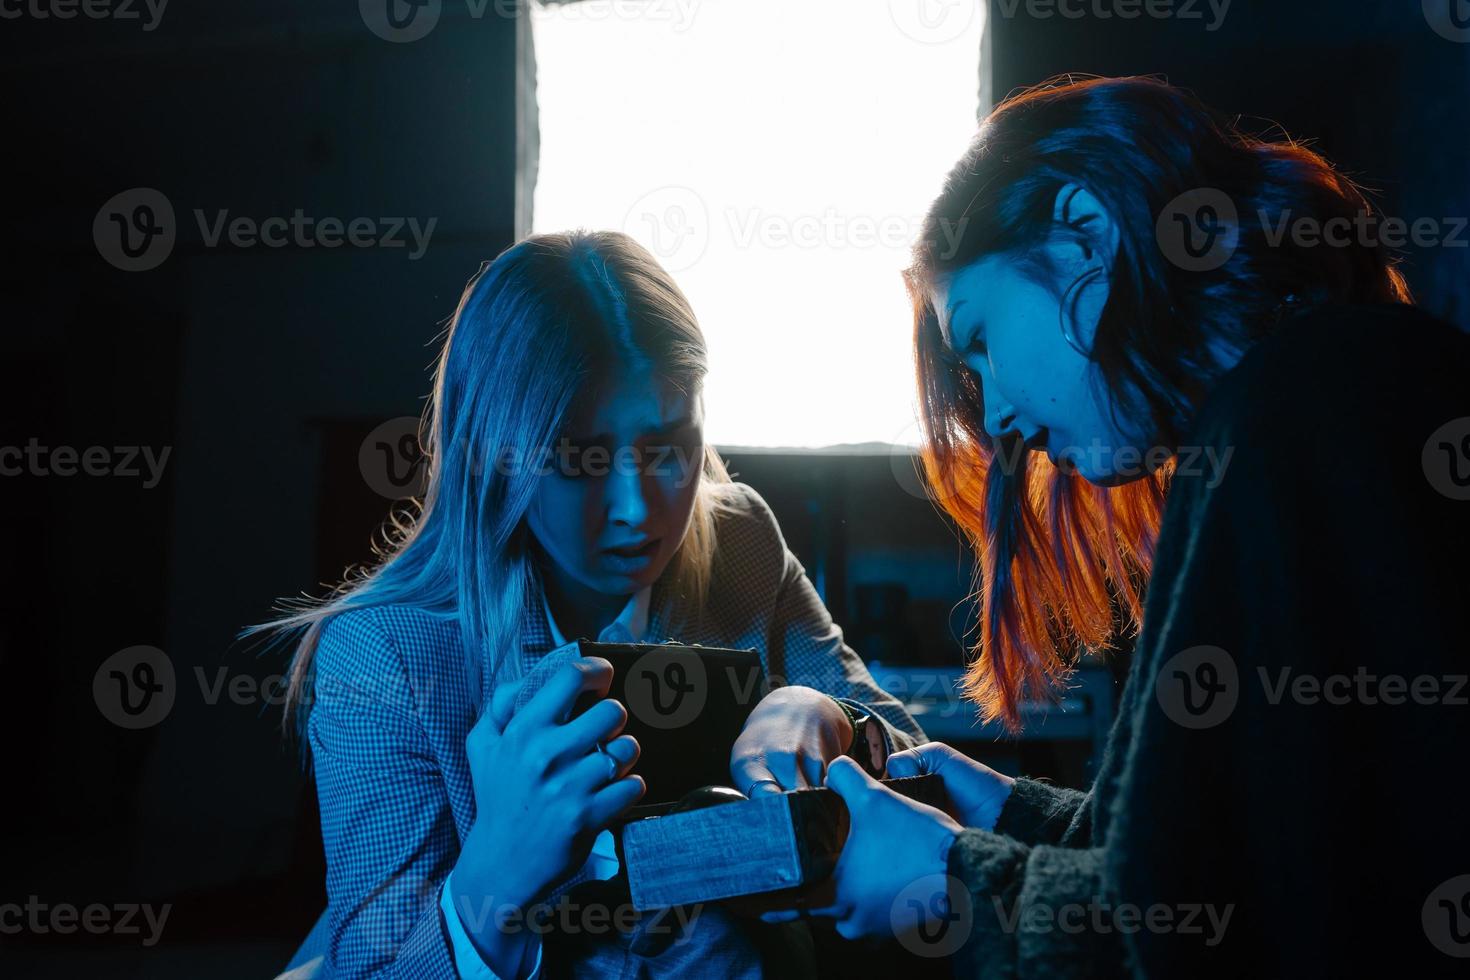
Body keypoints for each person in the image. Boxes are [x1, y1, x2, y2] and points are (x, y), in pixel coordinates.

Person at [772, 76, 1470, 977]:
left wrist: (949, 879)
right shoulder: (1322, 392)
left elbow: (1226, 946)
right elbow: (1244, 859)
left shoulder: (1295, 414)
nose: (1001, 420)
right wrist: (1005, 811)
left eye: (979, 338)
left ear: (1084, 231)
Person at [244, 230, 924, 978]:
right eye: (579, 459)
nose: (636, 508)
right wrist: (490, 887)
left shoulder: (740, 539)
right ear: (494, 456)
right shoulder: (384, 653)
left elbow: (924, 774)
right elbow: (371, 965)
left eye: (669, 448)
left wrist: (838, 720)